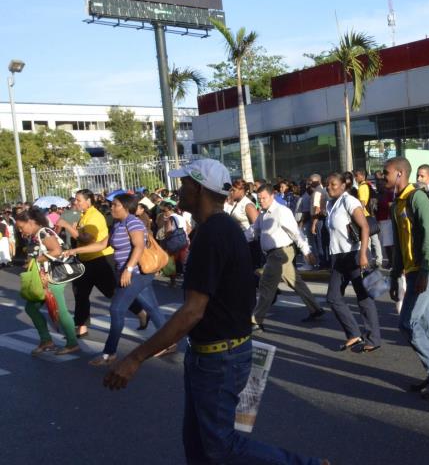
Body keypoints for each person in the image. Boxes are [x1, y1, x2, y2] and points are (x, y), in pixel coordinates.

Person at [101, 160, 329, 465]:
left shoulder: (213, 234)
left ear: (197, 189)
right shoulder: (221, 228)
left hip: (220, 359)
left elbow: (193, 310)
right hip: (215, 354)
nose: (178, 191)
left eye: (183, 185)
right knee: (197, 446)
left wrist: (135, 357)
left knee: (220, 447)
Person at [64, 194, 170, 366]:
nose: (111, 208)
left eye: (115, 205)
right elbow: (101, 245)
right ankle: (169, 342)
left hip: (136, 273)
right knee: (152, 308)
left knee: (116, 309)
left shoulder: (133, 222)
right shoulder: (117, 224)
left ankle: (109, 353)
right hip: (128, 272)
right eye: (112, 205)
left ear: (126, 207)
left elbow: (139, 246)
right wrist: (74, 251)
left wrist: (128, 269)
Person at [383, 157, 429, 397]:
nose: (383, 177)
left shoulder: (417, 197)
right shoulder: (397, 205)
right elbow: (400, 246)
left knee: (407, 323)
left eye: (387, 172)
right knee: (424, 325)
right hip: (412, 273)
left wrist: (424, 270)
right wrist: (394, 276)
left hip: (427, 270)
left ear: (401, 173)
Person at [55, 189, 146, 338]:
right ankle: (81, 326)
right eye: (75, 200)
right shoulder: (84, 215)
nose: (75, 203)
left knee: (113, 293)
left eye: (78, 200)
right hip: (85, 260)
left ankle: (141, 312)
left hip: (100, 260)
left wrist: (67, 226)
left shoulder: (95, 216)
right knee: (80, 293)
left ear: (88, 201)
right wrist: (74, 250)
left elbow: (87, 239)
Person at [247, 184, 323, 328]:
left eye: (264, 198)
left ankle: (256, 320)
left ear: (272, 196)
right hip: (273, 254)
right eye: (259, 198)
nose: (261, 201)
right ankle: (316, 309)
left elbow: (295, 232)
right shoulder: (263, 215)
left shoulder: (281, 211)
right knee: (295, 282)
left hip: (281, 253)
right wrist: (237, 238)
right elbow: (253, 231)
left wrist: (306, 251)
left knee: (266, 284)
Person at [323, 173, 382, 353]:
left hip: (356, 254)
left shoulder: (349, 201)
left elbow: (364, 226)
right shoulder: (330, 204)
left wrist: (364, 253)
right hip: (339, 257)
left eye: (333, 184)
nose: (329, 187)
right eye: (327, 185)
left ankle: (373, 338)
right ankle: (354, 334)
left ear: (343, 185)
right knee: (333, 297)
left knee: (364, 298)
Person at [15, 207, 80, 356]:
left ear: (31, 222)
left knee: (59, 309)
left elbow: (56, 250)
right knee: (31, 308)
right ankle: (46, 341)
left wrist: (38, 259)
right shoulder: (36, 234)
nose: (20, 230)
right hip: (44, 278)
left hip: (54, 277)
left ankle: (72, 343)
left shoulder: (43, 232)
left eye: (21, 227)